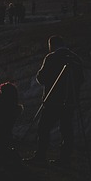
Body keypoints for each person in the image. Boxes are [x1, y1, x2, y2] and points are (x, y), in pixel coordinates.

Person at [27, 35, 83, 166]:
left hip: (52, 100)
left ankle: (40, 155)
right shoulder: (76, 59)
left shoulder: (51, 58)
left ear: (52, 45)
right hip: (70, 100)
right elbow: (81, 80)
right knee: (66, 130)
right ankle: (65, 159)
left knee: (43, 128)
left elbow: (41, 78)